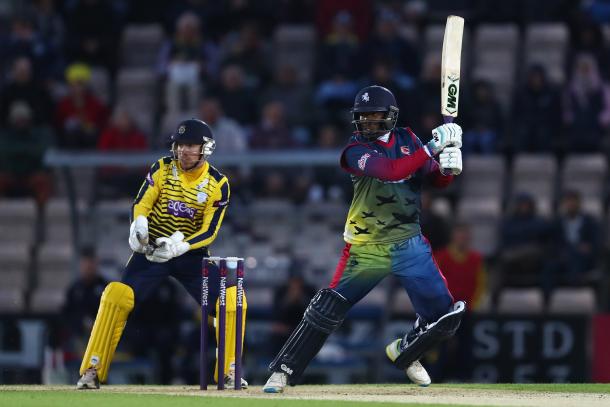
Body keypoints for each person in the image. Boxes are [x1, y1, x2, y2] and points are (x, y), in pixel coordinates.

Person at [263, 85, 466, 393]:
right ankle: (283, 371)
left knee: (445, 315)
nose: (369, 122)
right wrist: (431, 147)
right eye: (364, 117)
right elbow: (389, 170)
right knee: (327, 310)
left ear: (391, 117)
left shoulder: (409, 140)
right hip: (366, 247)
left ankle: (406, 350)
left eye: (375, 116)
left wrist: (449, 165)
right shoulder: (354, 151)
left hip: (409, 242)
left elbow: (434, 179)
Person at [76, 119, 247, 389]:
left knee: (231, 300)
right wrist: (139, 224)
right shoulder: (162, 167)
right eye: (180, 145)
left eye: (191, 145)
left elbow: (210, 230)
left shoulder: (218, 182)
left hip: (191, 254)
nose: (184, 151)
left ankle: (229, 373)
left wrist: (181, 246)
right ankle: (92, 370)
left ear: (206, 149)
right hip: (153, 250)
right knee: (116, 296)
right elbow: (142, 202)